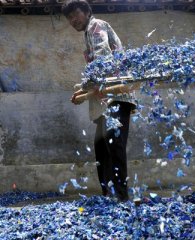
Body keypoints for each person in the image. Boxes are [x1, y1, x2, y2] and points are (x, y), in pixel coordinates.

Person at [62, 0, 136, 202]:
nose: (73, 20)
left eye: (75, 14)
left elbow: (103, 57)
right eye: (69, 18)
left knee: (114, 145)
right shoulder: (88, 34)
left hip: (116, 96)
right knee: (102, 147)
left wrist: (89, 85)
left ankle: (120, 197)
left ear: (86, 12)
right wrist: (83, 90)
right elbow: (96, 69)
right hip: (105, 99)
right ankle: (109, 195)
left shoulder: (96, 26)